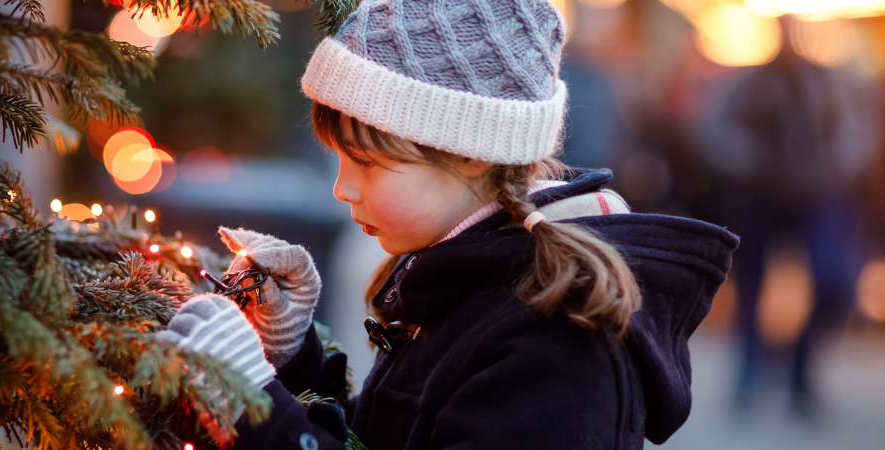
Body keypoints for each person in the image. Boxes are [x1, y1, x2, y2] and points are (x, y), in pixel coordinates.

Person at [153, 0, 738, 448]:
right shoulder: (459, 275)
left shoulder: (555, 348)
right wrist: (292, 357)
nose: (341, 188)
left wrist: (252, 403)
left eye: (368, 163)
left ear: (470, 151)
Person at [699, 15, 876, 415]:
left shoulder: (829, 82)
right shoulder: (750, 83)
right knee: (752, 286)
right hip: (759, 196)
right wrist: (753, 163)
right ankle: (749, 372)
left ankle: (801, 370)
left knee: (830, 277)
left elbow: (854, 135)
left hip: (818, 196)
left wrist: (828, 170)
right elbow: (718, 132)